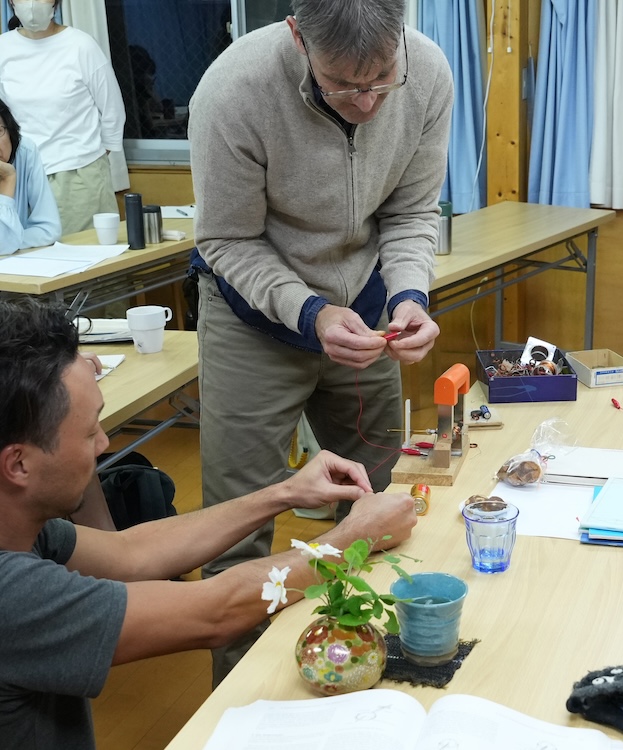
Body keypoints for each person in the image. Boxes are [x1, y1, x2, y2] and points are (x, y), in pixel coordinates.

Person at [0, 296, 417, 750]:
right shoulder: (13, 596)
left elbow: (131, 554)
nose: (104, 444)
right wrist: (354, 539)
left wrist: (285, 493)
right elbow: (215, 610)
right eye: (89, 432)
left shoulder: (20, 526)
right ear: (17, 464)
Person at [187, 0, 453, 684]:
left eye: (381, 80)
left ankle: (370, 676)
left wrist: (408, 297)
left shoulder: (426, 71)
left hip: (366, 309)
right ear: (299, 37)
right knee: (238, 526)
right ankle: (239, 715)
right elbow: (226, 240)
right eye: (342, 85)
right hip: (252, 315)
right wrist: (309, 313)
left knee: (381, 500)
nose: (366, 104)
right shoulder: (233, 90)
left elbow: (412, 210)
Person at [0, 0, 125, 234]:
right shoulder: (3, 48)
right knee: (27, 257)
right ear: (11, 2)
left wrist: (90, 159)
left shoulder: (80, 45)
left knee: (86, 257)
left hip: (78, 176)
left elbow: (113, 111)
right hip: (20, 175)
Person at [0, 96, 59, 252]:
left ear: (9, 130)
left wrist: (11, 241)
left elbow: (49, 228)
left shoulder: (24, 151)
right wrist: (9, 179)